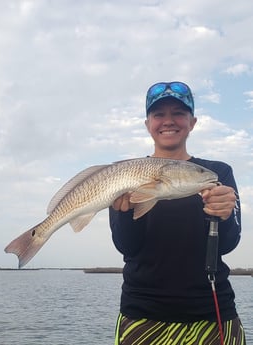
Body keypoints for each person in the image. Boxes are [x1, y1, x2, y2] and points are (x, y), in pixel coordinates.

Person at [109, 81, 246, 345]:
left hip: (212, 313)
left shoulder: (216, 172)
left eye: (179, 113)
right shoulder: (127, 173)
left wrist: (225, 214)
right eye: (159, 114)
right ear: (147, 124)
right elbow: (126, 246)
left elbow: (227, 245)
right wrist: (125, 213)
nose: (168, 121)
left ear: (192, 122)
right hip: (142, 314)